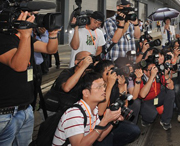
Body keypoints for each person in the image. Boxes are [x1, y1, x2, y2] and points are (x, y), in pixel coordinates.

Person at [0, 11, 59, 145]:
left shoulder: (23, 38)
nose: (34, 19)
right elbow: (19, 66)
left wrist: (53, 33)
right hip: (5, 113)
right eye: (30, 15)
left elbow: (50, 49)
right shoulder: (3, 39)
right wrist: (26, 34)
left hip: (25, 109)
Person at [52, 72, 124, 145]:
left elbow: (100, 137)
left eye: (104, 86)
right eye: (99, 87)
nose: (104, 89)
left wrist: (113, 121)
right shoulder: (74, 113)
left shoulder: (94, 109)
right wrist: (105, 120)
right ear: (86, 93)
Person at [139, 61, 175, 131]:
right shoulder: (140, 78)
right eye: (151, 69)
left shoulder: (158, 75)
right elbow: (142, 95)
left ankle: (165, 121)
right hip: (146, 101)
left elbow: (171, 87)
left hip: (157, 98)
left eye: (155, 68)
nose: (154, 71)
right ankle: (145, 120)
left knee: (170, 93)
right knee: (152, 114)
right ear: (145, 72)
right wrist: (151, 77)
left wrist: (166, 75)